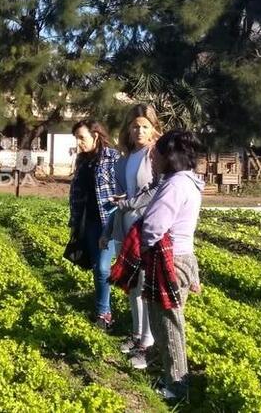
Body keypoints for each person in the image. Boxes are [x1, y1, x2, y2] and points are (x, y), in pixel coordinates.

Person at [141, 130, 203, 401]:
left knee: (169, 325)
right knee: (165, 321)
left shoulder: (175, 185)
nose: (153, 159)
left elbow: (154, 225)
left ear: (171, 156)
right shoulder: (188, 182)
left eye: (157, 154)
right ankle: (168, 375)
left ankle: (177, 387)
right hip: (183, 258)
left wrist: (143, 245)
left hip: (170, 261)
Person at [101, 104, 162, 368]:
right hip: (126, 226)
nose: (139, 130)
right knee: (132, 285)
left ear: (153, 130)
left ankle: (148, 343)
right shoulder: (127, 158)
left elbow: (158, 190)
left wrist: (129, 202)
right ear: (129, 129)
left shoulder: (155, 156)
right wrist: (109, 228)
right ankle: (137, 335)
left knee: (145, 285)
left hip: (146, 228)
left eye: (145, 126)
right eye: (135, 126)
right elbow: (122, 196)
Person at [69, 119, 119, 330]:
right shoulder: (82, 160)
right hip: (88, 221)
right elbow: (76, 193)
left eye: (82, 137)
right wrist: (74, 223)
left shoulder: (113, 158)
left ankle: (104, 313)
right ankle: (102, 308)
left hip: (108, 221)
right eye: (77, 138)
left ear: (95, 135)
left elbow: (122, 188)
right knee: (96, 267)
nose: (79, 142)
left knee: (101, 267)